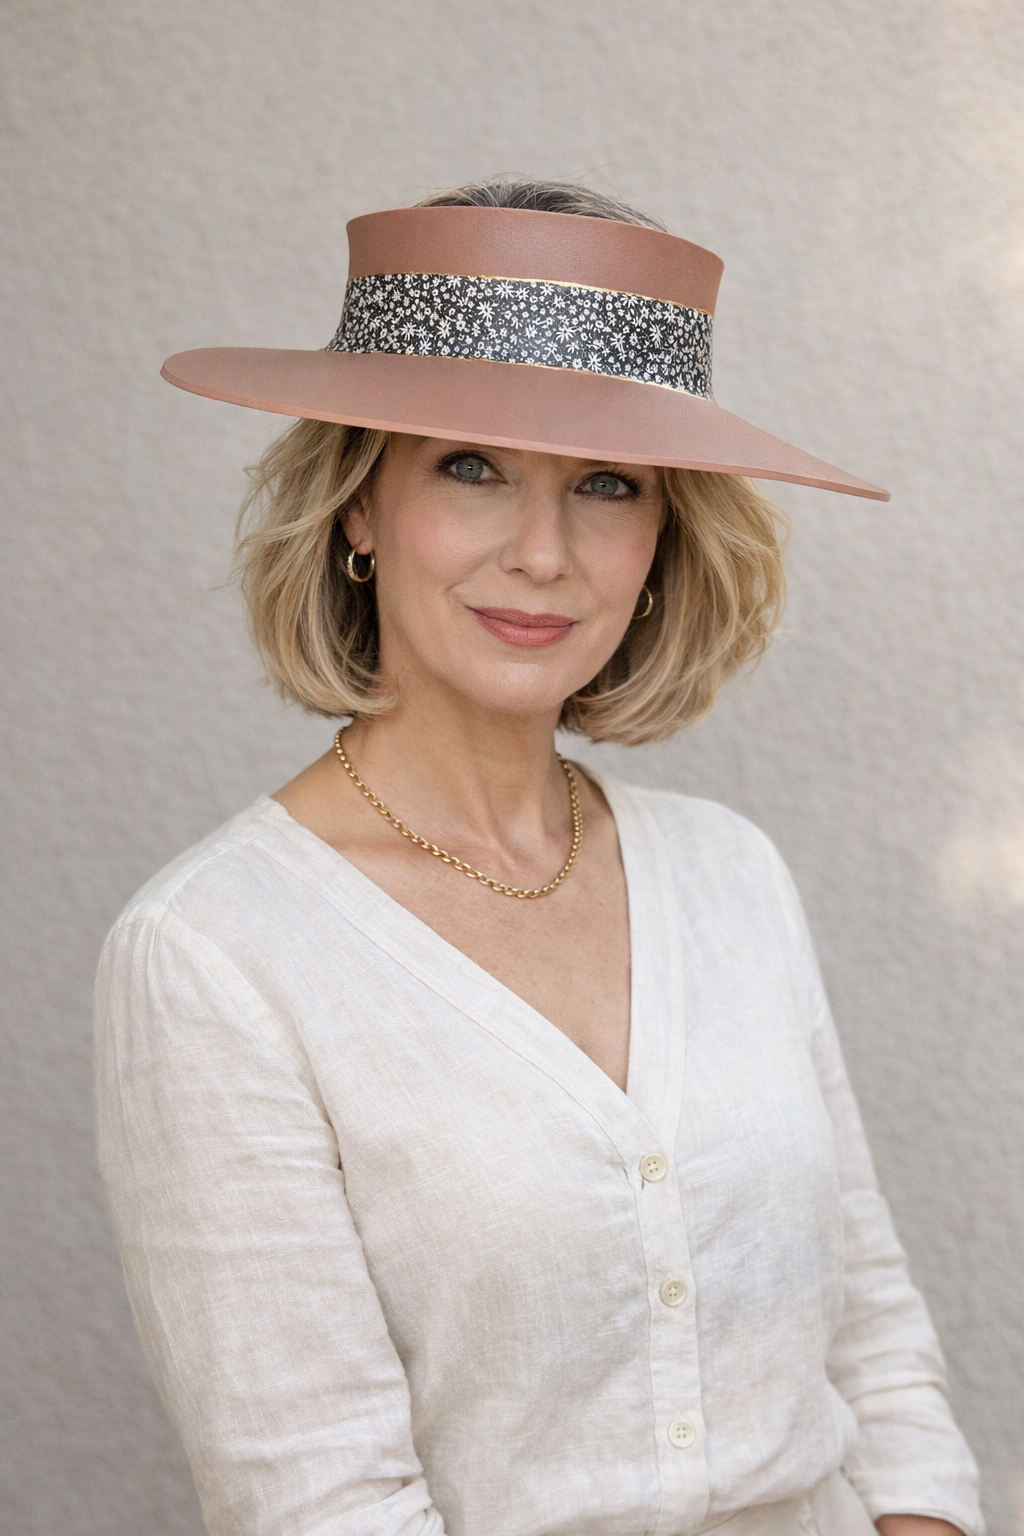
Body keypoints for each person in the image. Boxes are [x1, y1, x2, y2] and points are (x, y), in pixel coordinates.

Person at [94, 179, 983, 1536]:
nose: (543, 553)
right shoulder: (214, 954)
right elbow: (320, 1503)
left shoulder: (728, 872)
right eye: (471, 467)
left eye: (608, 486)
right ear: (357, 508)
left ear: (661, 537)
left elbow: (874, 1345)